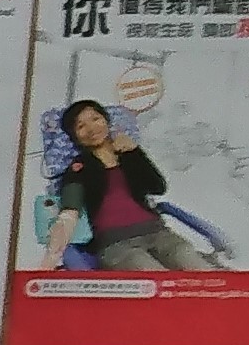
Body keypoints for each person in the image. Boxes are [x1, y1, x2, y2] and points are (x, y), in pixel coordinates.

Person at [51, 97, 218, 268]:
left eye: (95, 119)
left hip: (158, 233)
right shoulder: (79, 168)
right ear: (75, 137)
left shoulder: (128, 155)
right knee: (157, 283)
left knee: (201, 271)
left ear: (106, 121)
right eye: (81, 126)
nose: (91, 128)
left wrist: (135, 153)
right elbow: (70, 206)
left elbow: (157, 187)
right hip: (117, 245)